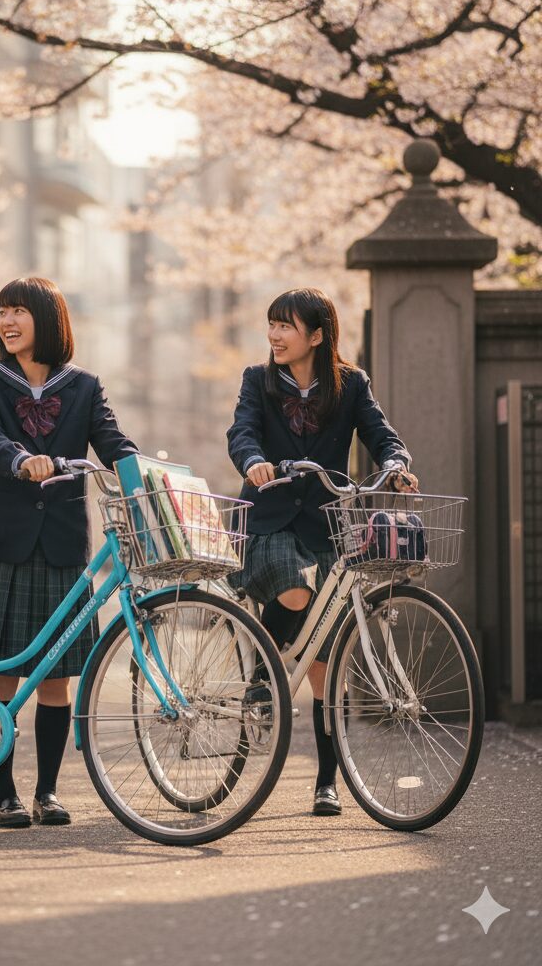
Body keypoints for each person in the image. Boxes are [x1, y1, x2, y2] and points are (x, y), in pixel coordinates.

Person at [227, 287, 418, 817]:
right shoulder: (257, 380)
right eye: (271, 324)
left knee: (326, 666)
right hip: (268, 519)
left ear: (316, 335)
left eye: (284, 326)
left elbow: (381, 434)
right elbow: (242, 431)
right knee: (294, 590)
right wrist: (253, 461)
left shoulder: (351, 384)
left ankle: (327, 783)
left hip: (329, 524)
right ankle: (263, 676)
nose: (274, 335)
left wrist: (396, 463)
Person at [0, 276, 139, 828]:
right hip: (3, 540)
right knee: (0, 679)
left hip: (62, 545)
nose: (7, 322)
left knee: (56, 680)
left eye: (18, 311)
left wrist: (144, 473)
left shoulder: (84, 386)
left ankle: (48, 792)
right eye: (2, 312)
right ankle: (3, 795)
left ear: (48, 319)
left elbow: (112, 441)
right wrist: (20, 459)